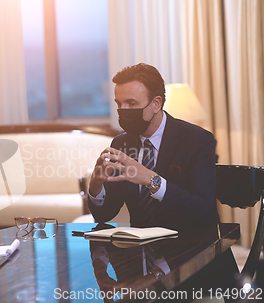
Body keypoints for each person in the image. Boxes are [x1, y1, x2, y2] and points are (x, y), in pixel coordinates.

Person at [88, 63, 220, 229]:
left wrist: (152, 180)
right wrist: (95, 186)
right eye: (119, 104)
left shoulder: (198, 139)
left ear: (156, 103)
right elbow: (105, 214)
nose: (123, 110)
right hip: (141, 249)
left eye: (131, 103)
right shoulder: (121, 143)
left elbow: (203, 209)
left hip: (191, 244)